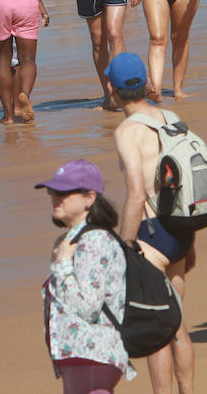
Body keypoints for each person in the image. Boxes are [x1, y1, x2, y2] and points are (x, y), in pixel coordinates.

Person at [110, 53, 195, 390]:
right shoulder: (170, 116)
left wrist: (124, 248)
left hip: (152, 236)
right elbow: (184, 180)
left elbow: (135, 195)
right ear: (145, 83)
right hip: (180, 229)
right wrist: (192, 240)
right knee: (178, 325)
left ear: (113, 90)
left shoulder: (128, 130)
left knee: (157, 330)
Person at [38, 159, 136, 392]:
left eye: (64, 192)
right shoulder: (72, 240)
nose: (55, 197)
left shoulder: (95, 241)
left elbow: (89, 307)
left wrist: (62, 263)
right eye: (53, 191)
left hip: (93, 354)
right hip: (78, 355)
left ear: (90, 198)